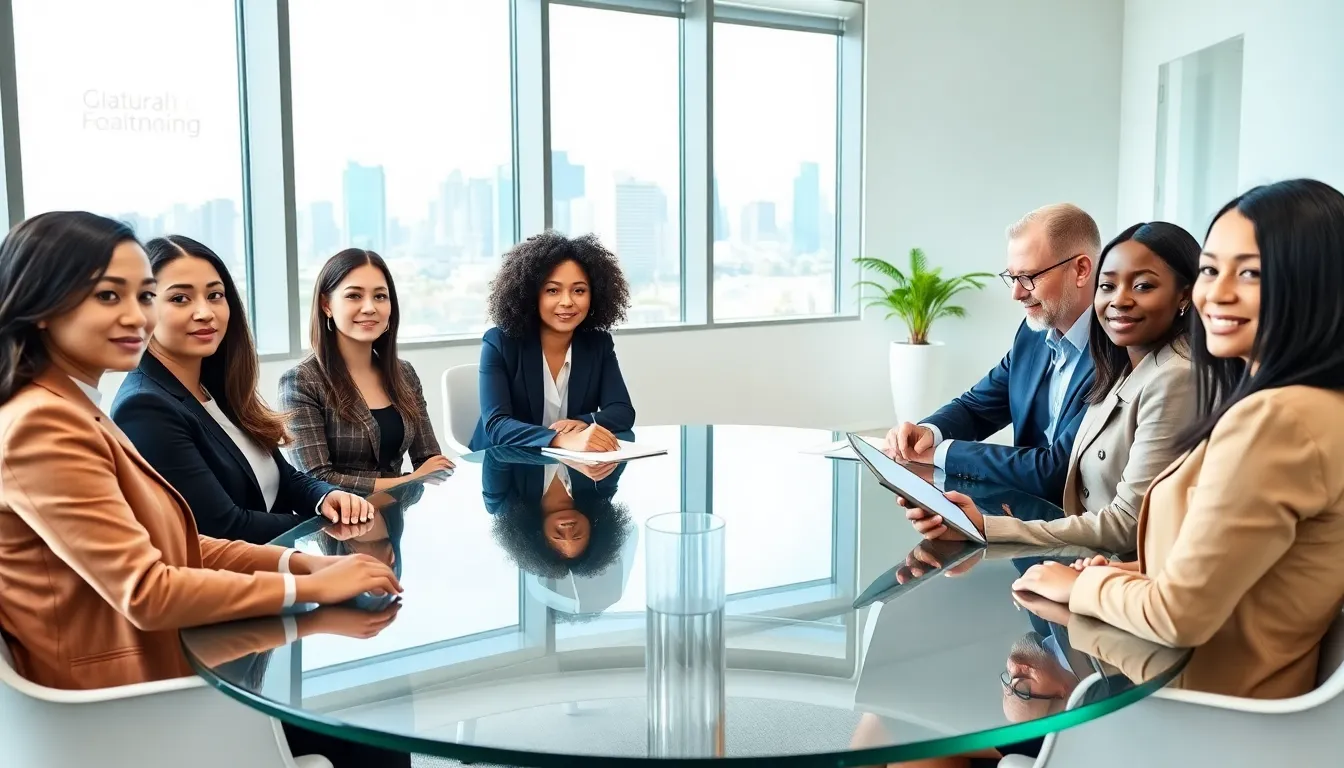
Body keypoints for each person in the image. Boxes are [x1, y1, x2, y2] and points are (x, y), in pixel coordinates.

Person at [0, 212, 406, 767]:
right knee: (370, 716)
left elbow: (183, 542)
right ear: (41, 306)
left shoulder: (74, 407)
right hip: (127, 703)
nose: (134, 316)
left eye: (142, 295)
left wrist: (308, 570)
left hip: (166, 664)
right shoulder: (41, 424)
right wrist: (308, 590)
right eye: (107, 296)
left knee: (368, 697)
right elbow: (147, 591)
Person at [1007, 179, 1344, 702]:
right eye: (1211, 269)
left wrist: (1081, 586)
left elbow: (1178, 615)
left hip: (1200, 715)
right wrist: (1125, 572)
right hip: (1204, 689)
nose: (1218, 292)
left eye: (1250, 272)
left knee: (932, 726)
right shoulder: (1307, 403)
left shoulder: (1278, 420)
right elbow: (1244, 571)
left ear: (1316, 283)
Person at [905, 222, 1200, 553]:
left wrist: (989, 525)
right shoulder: (1120, 359)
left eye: (1144, 286)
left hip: (1108, 566)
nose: (1120, 301)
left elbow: (1123, 521)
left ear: (1185, 295)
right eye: (1108, 286)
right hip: (1072, 550)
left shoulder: (1170, 374)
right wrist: (928, 433)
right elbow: (981, 403)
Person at [111, 236, 372, 545]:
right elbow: (223, 526)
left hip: (274, 570)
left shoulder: (215, 386)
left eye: (215, 295)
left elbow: (282, 477)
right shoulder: (144, 408)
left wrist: (326, 498)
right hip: (231, 584)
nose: (205, 312)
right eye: (180, 298)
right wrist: (314, 527)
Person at [885, 204, 1101, 504]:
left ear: (1081, 269)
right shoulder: (1032, 335)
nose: (1016, 293)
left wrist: (942, 454)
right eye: (1011, 277)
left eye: (1028, 277)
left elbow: (1056, 471)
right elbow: (977, 407)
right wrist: (927, 431)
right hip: (1020, 509)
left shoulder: (1115, 352)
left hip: (1078, 526)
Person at [279, 249, 453, 494]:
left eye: (380, 296)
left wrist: (421, 476)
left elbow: (429, 461)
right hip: (334, 525)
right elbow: (316, 479)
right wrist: (407, 481)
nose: (370, 307)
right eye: (354, 296)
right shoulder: (301, 382)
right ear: (326, 305)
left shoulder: (404, 374)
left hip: (396, 517)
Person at [470, 231, 635, 451]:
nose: (567, 302)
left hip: (571, 467)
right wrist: (561, 439)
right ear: (531, 294)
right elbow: (497, 425)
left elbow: (622, 411)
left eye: (579, 290)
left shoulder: (598, 344)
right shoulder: (499, 343)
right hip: (506, 466)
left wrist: (583, 423)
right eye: (552, 290)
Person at [480, 446, 631, 578]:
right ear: (593, 530)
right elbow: (624, 441)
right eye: (577, 535)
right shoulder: (599, 492)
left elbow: (496, 453)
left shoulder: (503, 505)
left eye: (558, 536)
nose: (567, 530)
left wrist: (564, 451)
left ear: (538, 538)